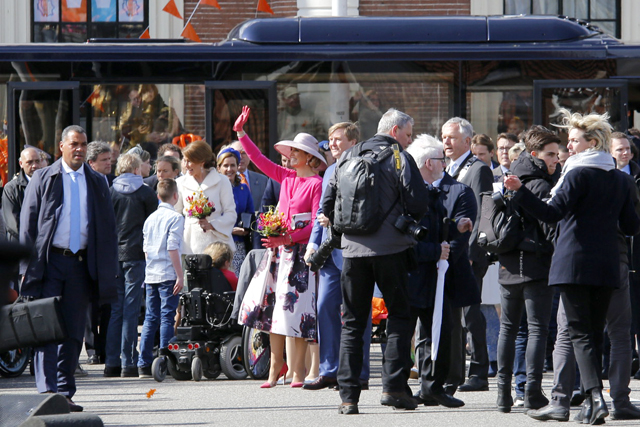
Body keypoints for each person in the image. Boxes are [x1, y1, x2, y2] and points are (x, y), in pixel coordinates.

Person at [505, 109, 640, 425]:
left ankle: (589, 399)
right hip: (608, 266)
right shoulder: (621, 179)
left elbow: (551, 213)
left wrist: (519, 191)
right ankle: (594, 402)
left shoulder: (576, 174)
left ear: (592, 142)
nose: (569, 147)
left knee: (576, 332)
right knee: (592, 334)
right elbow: (632, 226)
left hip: (574, 264)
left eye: (575, 141)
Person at [323, 108, 430, 414]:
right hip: (391, 250)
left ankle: (348, 397)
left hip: (352, 252)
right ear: (395, 131)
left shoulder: (347, 156)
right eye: (408, 135)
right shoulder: (399, 157)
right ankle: (394, 387)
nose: (409, 141)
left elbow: (328, 205)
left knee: (353, 322)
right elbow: (417, 201)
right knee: (399, 315)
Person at [20, 125, 119, 412]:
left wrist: (107, 269)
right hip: (50, 263)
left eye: (83, 144)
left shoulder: (98, 181)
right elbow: (28, 226)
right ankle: (47, 392)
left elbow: (108, 230)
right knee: (47, 328)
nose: (79, 149)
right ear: (61, 146)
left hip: (81, 264)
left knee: (74, 332)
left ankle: (64, 393)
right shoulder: (44, 177)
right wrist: (27, 268)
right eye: (74, 144)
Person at [234, 105, 325, 388]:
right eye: (291, 151)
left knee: (293, 313)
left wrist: (288, 239)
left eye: (296, 152)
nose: (290, 156)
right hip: (277, 255)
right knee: (271, 312)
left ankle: (297, 371)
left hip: (300, 256)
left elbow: (315, 225)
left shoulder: (317, 184)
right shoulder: (286, 178)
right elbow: (258, 160)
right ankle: (275, 370)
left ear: (310, 157)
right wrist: (240, 132)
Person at [405, 134, 474, 409]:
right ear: (427, 162)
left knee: (443, 329)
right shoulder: (409, 192)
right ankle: (421, 384)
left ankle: (437, 384)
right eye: (439, 159)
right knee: (416, 331)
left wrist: (442, 258)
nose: (444, 163)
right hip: (416, 269)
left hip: (445, 271)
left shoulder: (458, 190)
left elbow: (459, 235)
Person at [494, 128, 560, 413]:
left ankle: (503, 395)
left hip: (508, 262)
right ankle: (532, 391)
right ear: (535, 155)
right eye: (550, 154)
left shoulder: (511, 177)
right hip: (535, 264)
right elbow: (550, 228)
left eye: (557, 154)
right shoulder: (541, 186)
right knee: (537, 330)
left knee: (508, 329)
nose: (556, 159)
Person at [303, 122, 372, 391]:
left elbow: (362, 209)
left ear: (353, 142)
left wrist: (336, 220)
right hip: (329, 255)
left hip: (353, 251)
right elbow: (320, 213)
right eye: (330, 139)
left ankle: (360, 373)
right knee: (324, 309)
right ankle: (329, 370)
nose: (332, 143)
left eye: (338, 139)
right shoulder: (330, 169)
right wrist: (312, 243)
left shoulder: (365, 166)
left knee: (357, 313)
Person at [442, 117, 493, 393]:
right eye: (443, 137)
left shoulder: (478, 168)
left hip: (470, 252)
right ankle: (455, 371)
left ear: (466, 141)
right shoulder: (450, 168)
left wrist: (474, 250)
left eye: (450, 137)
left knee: (472, 313)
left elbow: (485, 209)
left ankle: (480, 371)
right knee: (456, 315)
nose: (445, 142)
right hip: (453, 250)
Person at [104, 152, 158, 378]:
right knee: (131, 309)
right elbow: (152, 224)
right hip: (136, 254)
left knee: (116, 309)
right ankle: (129, 363)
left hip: (114, 255)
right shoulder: (146, 192)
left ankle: (111, 363)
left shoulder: (110, 191)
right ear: (136, 170)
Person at [137, 178, 184, 378]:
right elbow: (172, 246)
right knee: (167, 316)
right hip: (167, 272)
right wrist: (180, 275)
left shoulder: (150, 219)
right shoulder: (176, 218)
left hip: (151, 273)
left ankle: (144, 362)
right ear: (176, 196)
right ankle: (166, 359)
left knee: (150, 318)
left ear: (158, 196)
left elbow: (146, 248)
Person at [174, 140, 236, 255]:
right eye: (185, 161)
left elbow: (231, 213)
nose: (186, 165)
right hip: (190, 246)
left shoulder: (222, 181)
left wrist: (212, 225)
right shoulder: (180, 183)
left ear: (201, 162)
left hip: (217, 246)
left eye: (190, 161)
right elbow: (176, 215)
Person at [217, 147, 254, 276]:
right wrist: (230, 229)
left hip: (238, 244)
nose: (229, 169)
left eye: (233, 165)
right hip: (218, 243)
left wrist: (246, 228)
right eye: (225, 165)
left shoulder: (243, 188)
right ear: (218, 168)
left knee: (238, 282)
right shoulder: (213, 189)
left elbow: (250, 213)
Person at [3, 147, 43, 241]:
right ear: (21, 164)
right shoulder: (11, 189)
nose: (34, 166)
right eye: (30, 162)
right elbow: (13, 223)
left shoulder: (48, 184)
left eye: (37, 161)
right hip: (21, 246)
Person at [229, 140, 268, 214]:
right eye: (236, 153)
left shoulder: (263, 180)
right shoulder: (224, 180)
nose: (240, 157)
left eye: (244, 153)